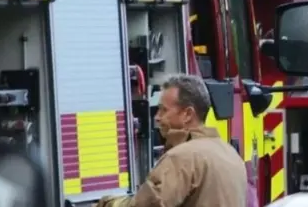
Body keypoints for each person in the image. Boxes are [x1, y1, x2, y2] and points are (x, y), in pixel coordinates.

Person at [96, 74, 247, 207]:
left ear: (188, 114)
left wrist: (108, 204)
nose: (157, 117)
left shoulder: (181, 157)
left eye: (163, 110)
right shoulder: (230, 154)